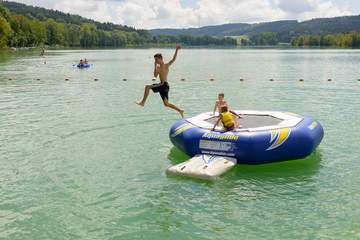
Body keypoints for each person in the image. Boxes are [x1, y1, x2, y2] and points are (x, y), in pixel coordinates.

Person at [136, 44, 184, 118]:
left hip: (164, 84)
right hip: (163, 86)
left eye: (156, 59)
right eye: (155, 60)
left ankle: (142, 102)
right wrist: (155, 66)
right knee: (166, 104)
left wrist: (177, 50)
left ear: (160, 58)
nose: (155, 61)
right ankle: (180, 110)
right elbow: (155, 75)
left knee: (147, 87)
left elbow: (173, 59)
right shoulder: (158, 68)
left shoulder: (166, 65)